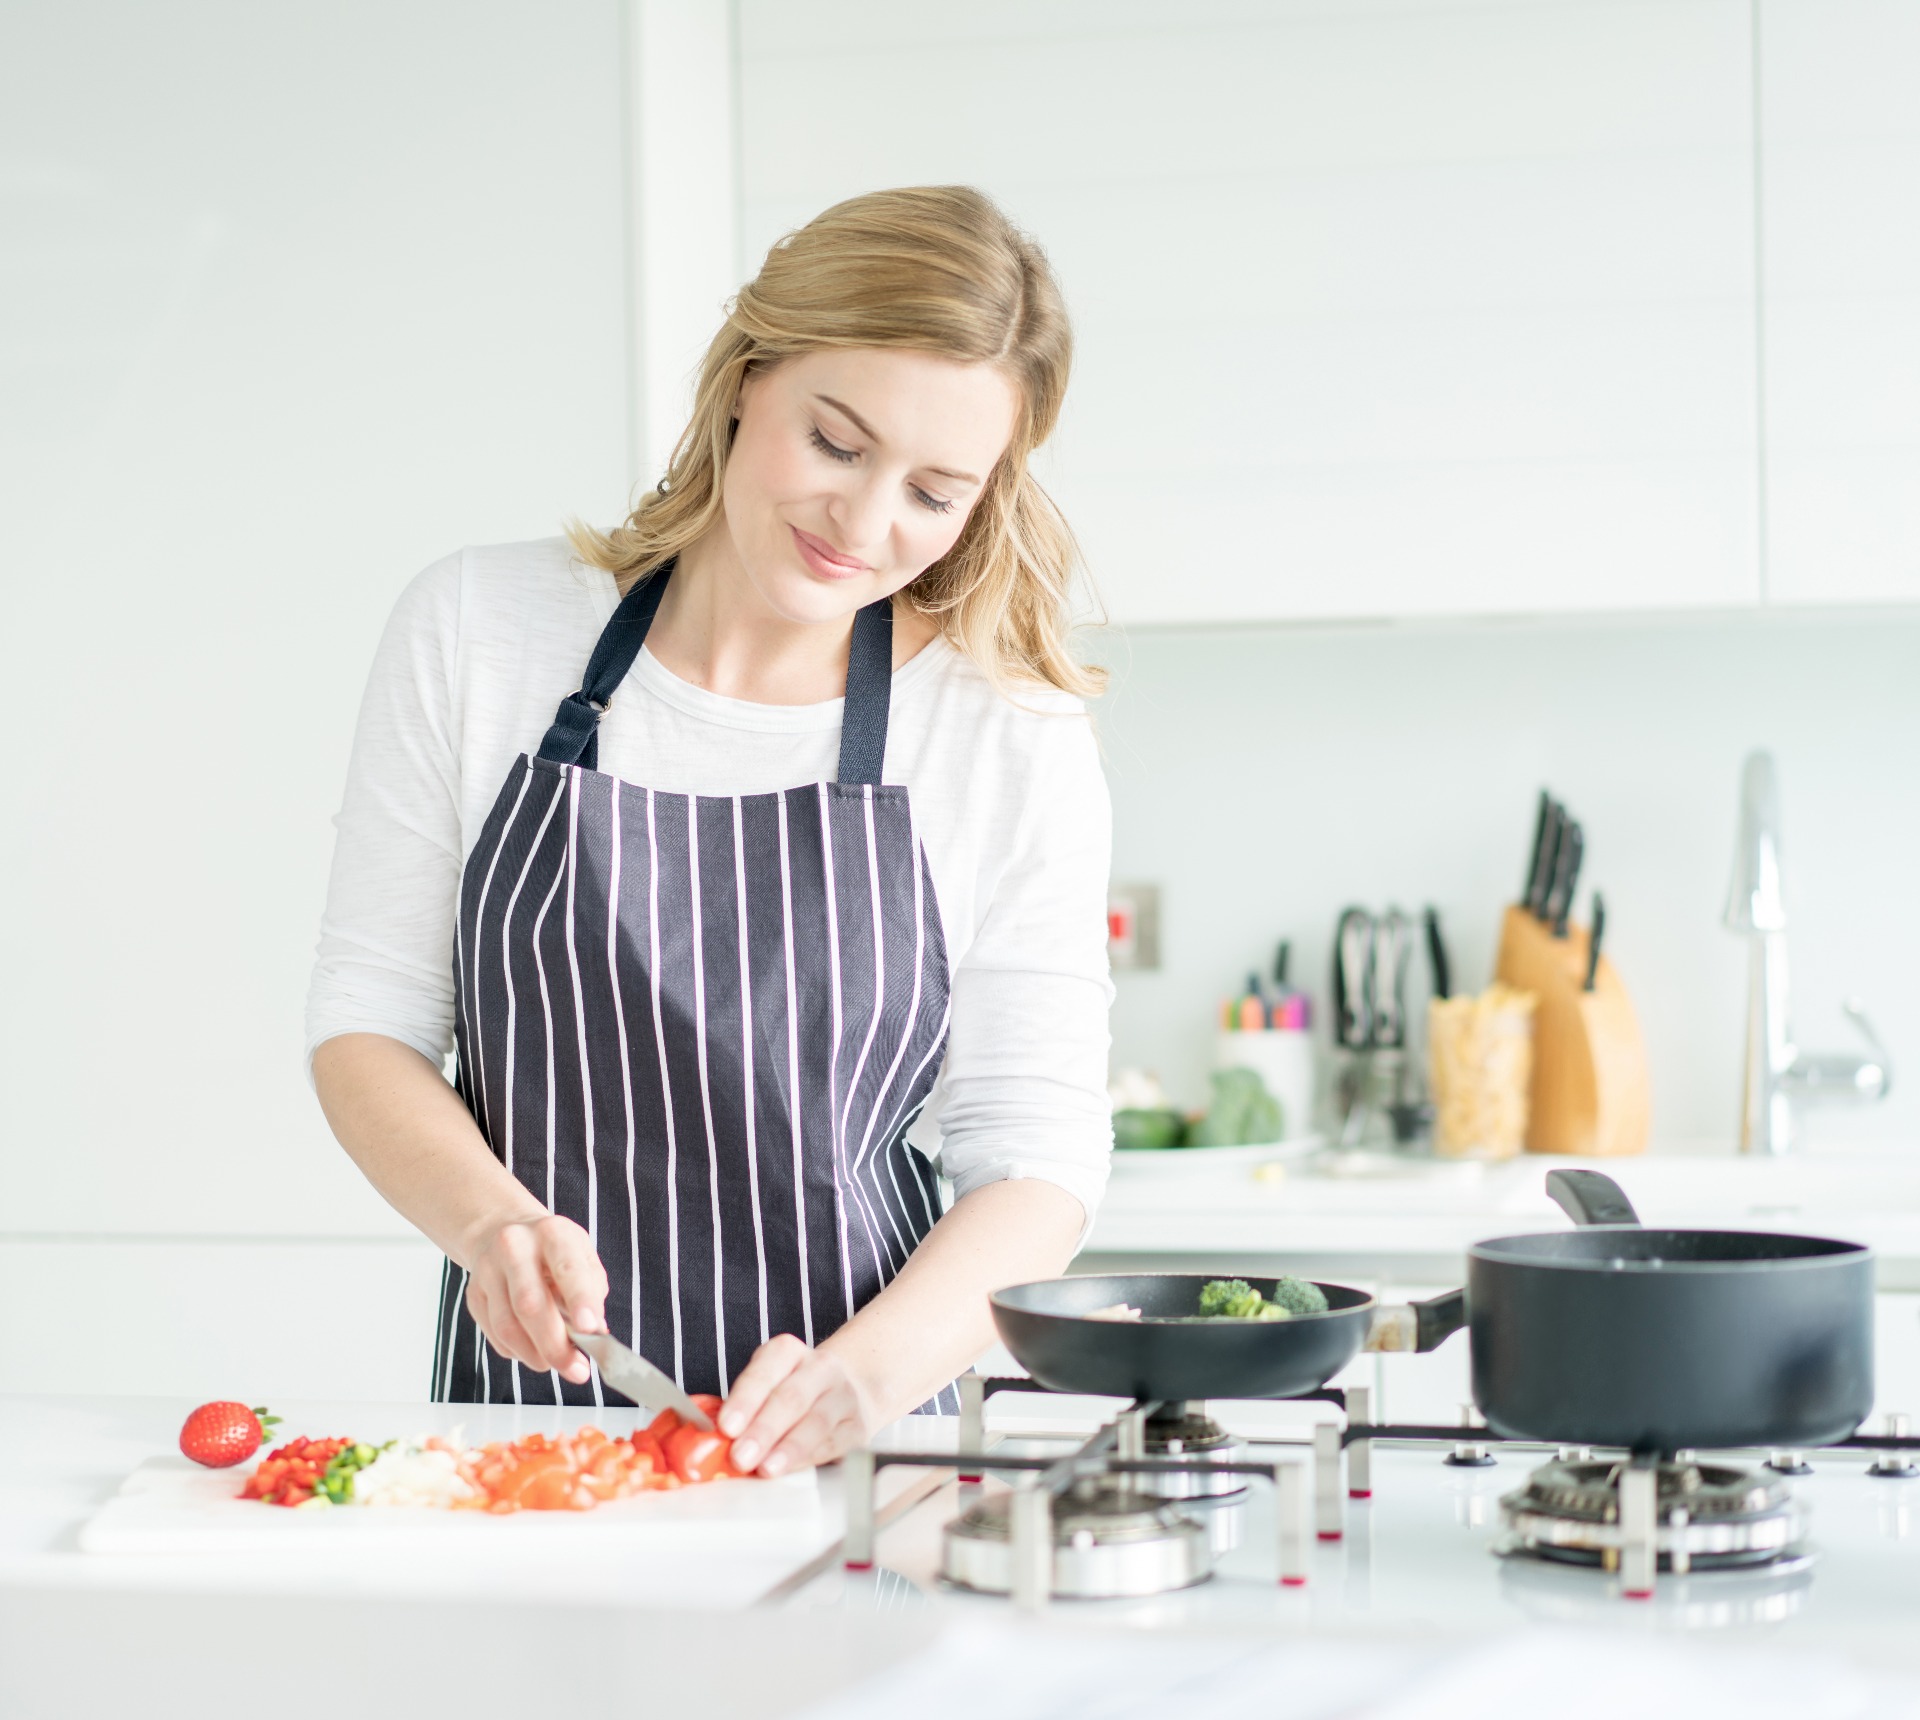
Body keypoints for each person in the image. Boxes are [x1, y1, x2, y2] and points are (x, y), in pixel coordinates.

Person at [307, 185, 1113, 1477]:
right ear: (747, 378)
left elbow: (1036, 1153)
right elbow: (369, 1023)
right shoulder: (479, 627)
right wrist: (489, 1227)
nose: (863, 526)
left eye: (933, 492)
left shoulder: (1004, 726)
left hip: (862, 1450)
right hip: (532, 1438)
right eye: (836, 442)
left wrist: (867, 1376)